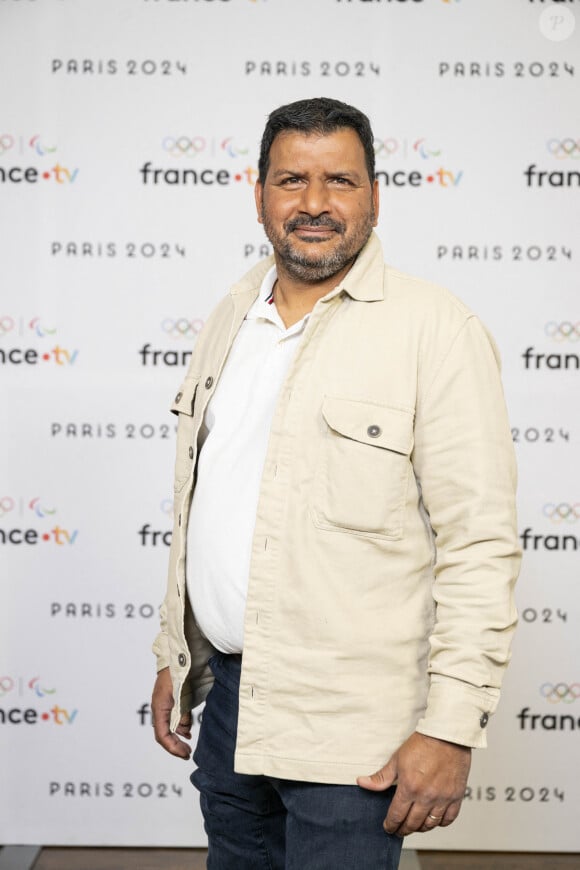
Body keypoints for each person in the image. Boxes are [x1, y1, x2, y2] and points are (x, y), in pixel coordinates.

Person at [151, 97, 520, 870]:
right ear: (258, 195)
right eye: (291, 180)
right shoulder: (230, 316)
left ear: (375, 196)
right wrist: (175, 654)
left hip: (355, 738)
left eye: (340, 181)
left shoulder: (435, 330)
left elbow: (479, 545)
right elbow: (206, 506)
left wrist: (450, 727)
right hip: (231, 711)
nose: (314, 204)